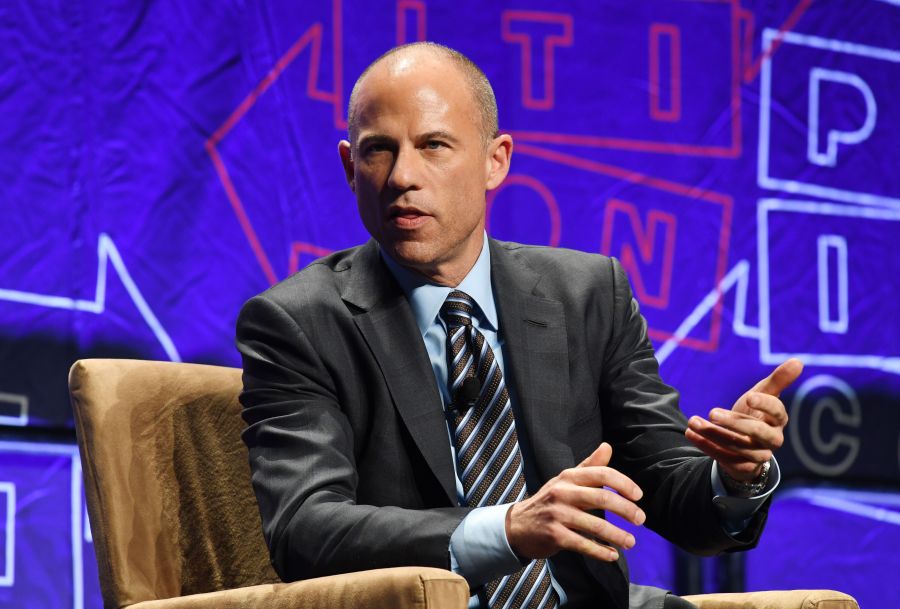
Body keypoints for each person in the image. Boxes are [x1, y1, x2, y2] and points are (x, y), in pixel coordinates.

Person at [236, 42, 802, 609]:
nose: (402, 176)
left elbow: (671, 491)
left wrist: (736, 476)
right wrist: (506, 529)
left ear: (495, 160)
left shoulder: (588, 294)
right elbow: (304, 530)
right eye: (379, 150)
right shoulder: (299, 322)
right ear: (349, 168)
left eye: (433, 145)